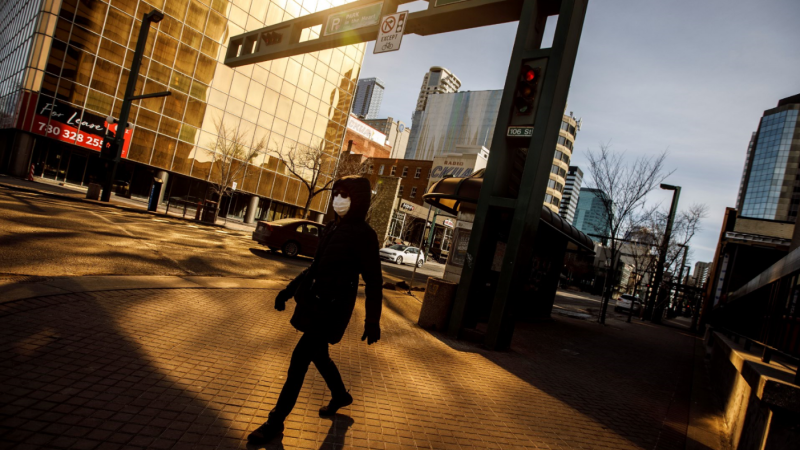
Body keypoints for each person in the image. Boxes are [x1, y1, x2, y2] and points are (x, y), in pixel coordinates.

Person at [247, 175, 383, 446]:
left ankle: (275, 421)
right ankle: (340, 395)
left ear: (358, 200)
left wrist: (373, 321)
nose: (338, 199)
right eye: (336, 193)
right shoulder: (332, 227)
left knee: (299, 360)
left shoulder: (364, 236)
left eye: (344, 194)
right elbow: (314, 268)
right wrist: (287, 291)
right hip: (315, 303)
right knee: (319, 355)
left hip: (332, 311)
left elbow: (374, 281)